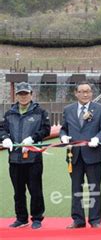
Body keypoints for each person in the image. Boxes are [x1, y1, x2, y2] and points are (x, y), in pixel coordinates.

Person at [0, 82, 51, 229]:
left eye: (26, 94)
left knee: (35, 189)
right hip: (15, 159)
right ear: (16, 96)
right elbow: (1, 129)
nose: (23, 97)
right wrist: (5, 138)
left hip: (33, 158)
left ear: (31, 94)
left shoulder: (40, 112)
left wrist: (32, 139)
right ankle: (21, 218)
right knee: (18, 191)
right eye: (20, 94)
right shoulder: (10, 113)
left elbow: (46, 130)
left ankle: (36, 218)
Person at [60, 81, 101, 229]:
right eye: (82, 91)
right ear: (76, 93)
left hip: (93, 154)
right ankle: (78, 219)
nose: (85, 94)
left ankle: (95, 220)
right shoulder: (68, 109)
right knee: (76, 188)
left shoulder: (100, 109)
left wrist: (98, 138)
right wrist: (63, 137)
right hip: (73, 155)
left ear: (91, 93)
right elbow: (64, 129)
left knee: (94, 188)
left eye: (88, 91)